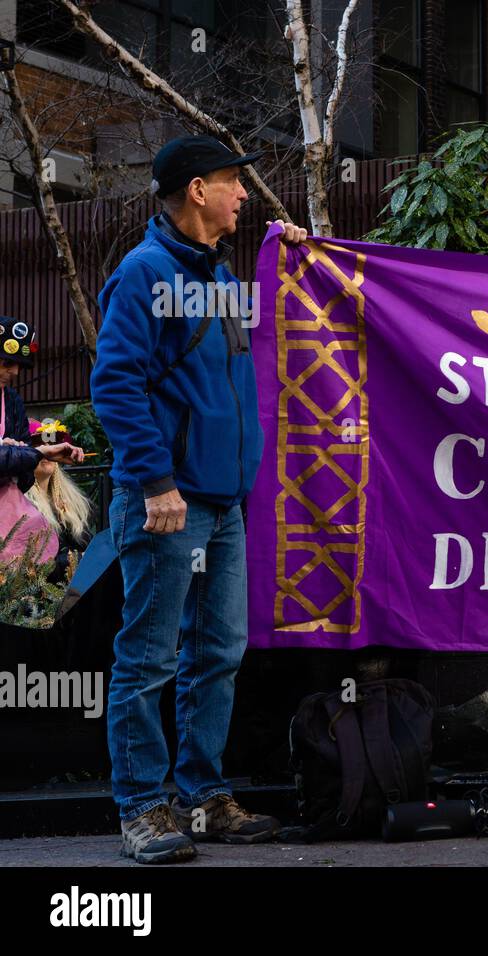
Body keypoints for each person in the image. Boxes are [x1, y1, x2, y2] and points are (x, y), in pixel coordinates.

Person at [91, 134, 308, 863]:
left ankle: (204, 798)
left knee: (217, 653)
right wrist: (156, 482)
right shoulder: (144, 273)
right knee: (149, 659)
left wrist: (297, 252)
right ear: (195, 190)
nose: (244, 194)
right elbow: (114, 386)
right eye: (231, 182)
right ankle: (144, 809)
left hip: (221, 503)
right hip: (168, 502)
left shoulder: (214, 277)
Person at [0, 322, 85, 564]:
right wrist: (29, 453)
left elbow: (24, 476)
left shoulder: (13, 401)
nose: (15, 372)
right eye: (7, 362)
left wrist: (22, 455)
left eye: (19, 364)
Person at [23, 418, 93, 582]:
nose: (47, 451)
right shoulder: (20, 503)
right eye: (38, 446)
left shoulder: (75, 501)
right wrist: (75, 561)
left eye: (51, 445)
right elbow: (32, 568)